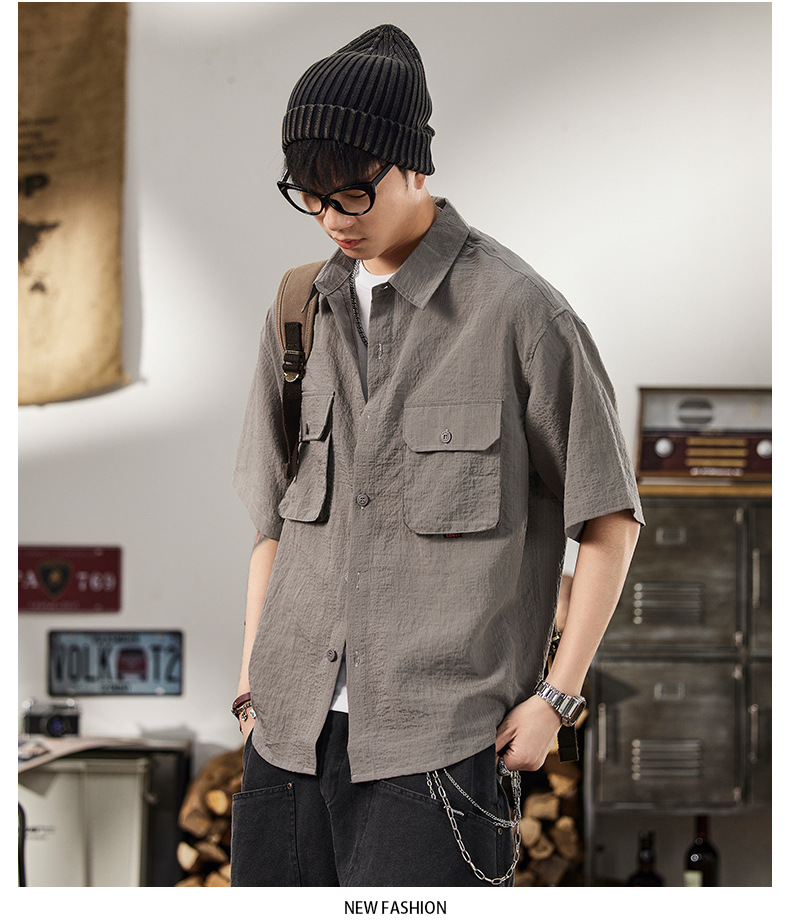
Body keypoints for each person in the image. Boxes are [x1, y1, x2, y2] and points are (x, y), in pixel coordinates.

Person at [230, 23, 643, 888]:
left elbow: (610, 518)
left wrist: (557, 699)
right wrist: (249, 689)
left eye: (352, 194)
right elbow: (273, 525)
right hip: (287, 736)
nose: (332, 220)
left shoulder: (523, 314)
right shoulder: (298, 311)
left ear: (414, 165)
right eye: (310, 197)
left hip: (442, 749)